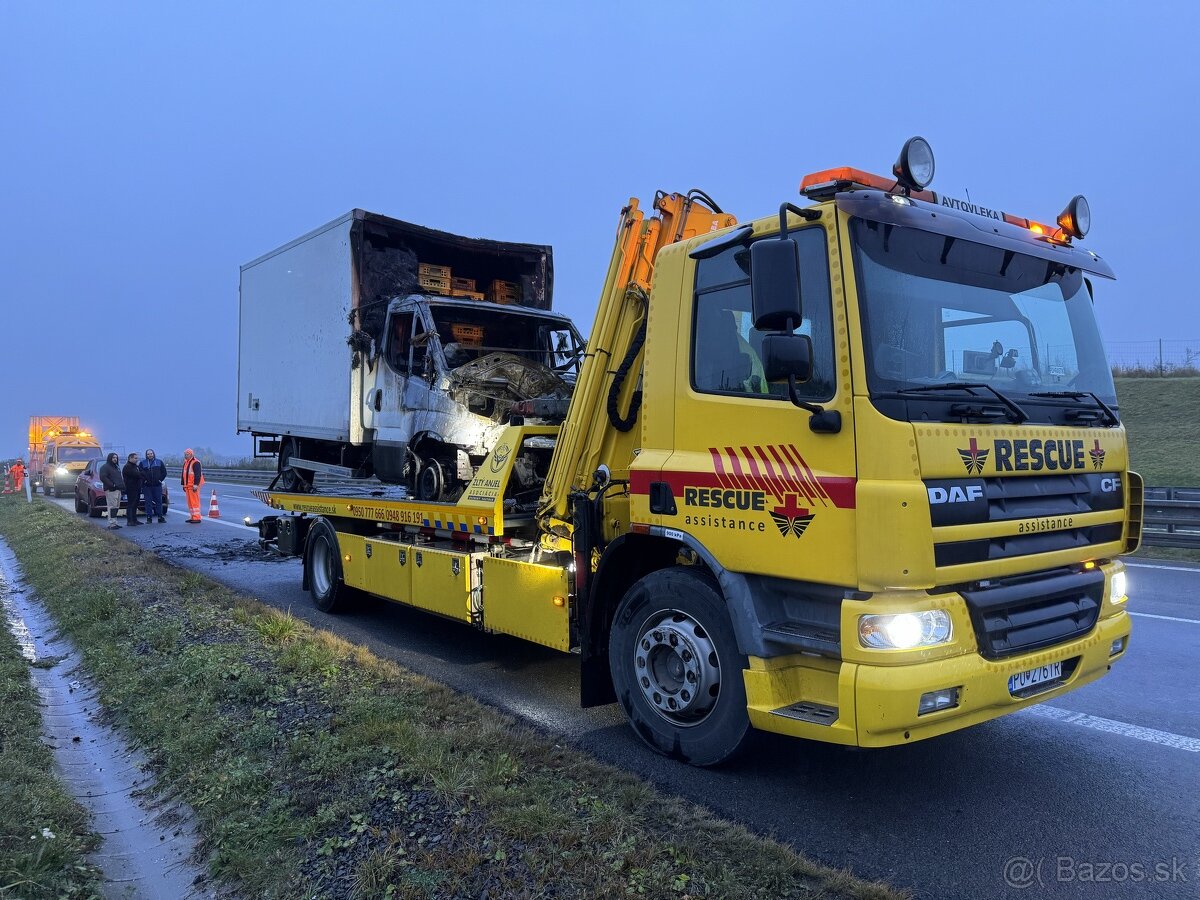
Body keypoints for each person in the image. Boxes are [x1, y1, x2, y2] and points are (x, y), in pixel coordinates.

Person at [139, 449, 167, 522]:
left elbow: (164, 472)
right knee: (148, 502)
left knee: (159, 501)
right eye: (148, 454)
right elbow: (140, 473)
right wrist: (144, 481)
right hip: (147, 486)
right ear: (146, 455)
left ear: (153, 454)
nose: (150, 455)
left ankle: (160, 517)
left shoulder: (159, 462)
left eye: (151, 453)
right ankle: (149, 517)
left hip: (157, 485)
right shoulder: (142, 463)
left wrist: (160, 480)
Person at [98, 452, 125, 529]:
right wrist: (112, 485)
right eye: (113, 458)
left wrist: (122, 487)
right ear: (110, 458)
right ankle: (111, 524)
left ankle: (115, 522)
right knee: (112, 507)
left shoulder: (117, 467)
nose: (115, 459)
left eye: (116, 458)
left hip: (118, 489)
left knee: (116, 507)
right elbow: (103, 477)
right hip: (111, 490)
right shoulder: (105, 467)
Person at [181, 448, 204, 524]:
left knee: (194, 502)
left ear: (191, 454)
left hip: (193, 485)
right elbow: (183, 474)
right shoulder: (186, 462)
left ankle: (197, 517)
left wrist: (196, 484)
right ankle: (192, 516)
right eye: (185, 454)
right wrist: (183, 484)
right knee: (190, 502)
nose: (185, 456)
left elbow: (198, 475)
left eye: (187, 454)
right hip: (188, 485)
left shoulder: (196, 462)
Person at [122, 453, 143, 526]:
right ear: (130, 458)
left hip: (137, 488)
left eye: (137, 458)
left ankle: (134, 519)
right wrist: (141, 473)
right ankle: (130, 521)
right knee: (131, 504)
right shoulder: (128, 467)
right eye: (135, 458)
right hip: (131, 488)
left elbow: (140, 473)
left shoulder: (135, 466)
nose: (137, 459)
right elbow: (137, 474)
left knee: (136, 504)